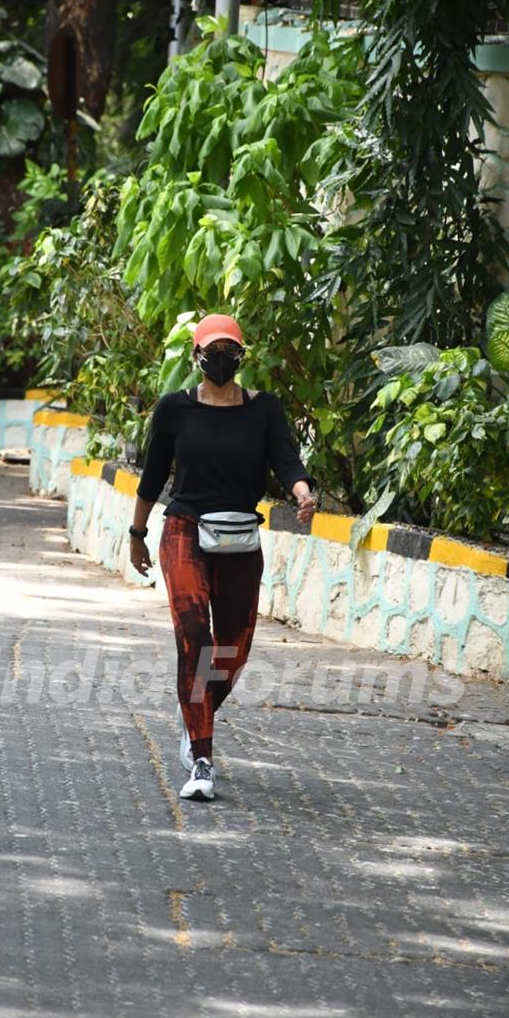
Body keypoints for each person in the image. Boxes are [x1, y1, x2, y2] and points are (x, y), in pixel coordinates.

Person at [128, 314, 316, 801]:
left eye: (229, 350)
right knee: (194, 637)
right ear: (196, 356)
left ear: (241, 356)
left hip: (239, 537)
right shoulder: (175, 409)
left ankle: (194, 708)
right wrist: (136, 532)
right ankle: (201, 758)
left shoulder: (264, 409)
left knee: (231, 651)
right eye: (212, 350)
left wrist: (301, 491)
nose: (220, 358)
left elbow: (286, 458)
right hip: (184, 529)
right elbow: (153, 476)